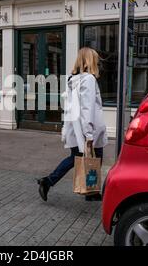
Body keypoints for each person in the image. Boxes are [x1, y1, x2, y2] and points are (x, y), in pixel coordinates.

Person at [38, 47, 108, 202]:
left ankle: (90, 191)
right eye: (95, 58)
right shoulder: (88, 79)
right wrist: (89, 134)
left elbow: (70, 106)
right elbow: (87, 108)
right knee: (95, 158)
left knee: (77, 157)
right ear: (90, 60)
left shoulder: (72, 79)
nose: (97, 61)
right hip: (87, 130)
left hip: (76, 129)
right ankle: (50, 182)